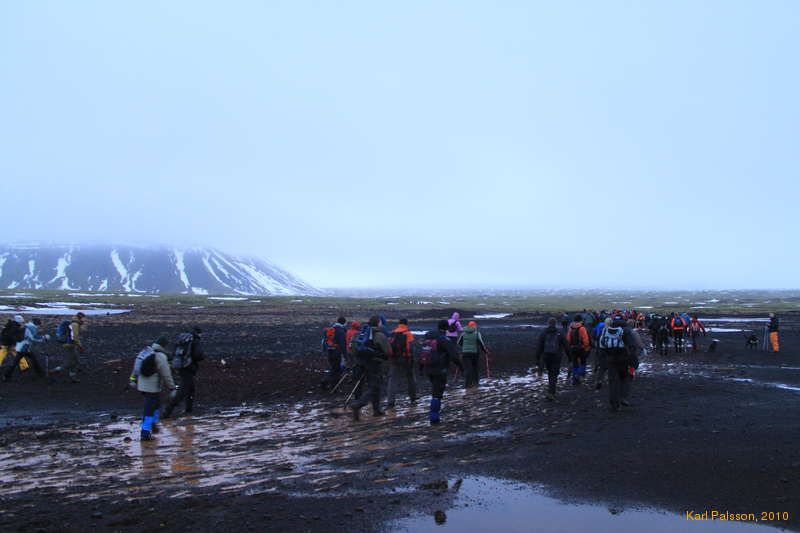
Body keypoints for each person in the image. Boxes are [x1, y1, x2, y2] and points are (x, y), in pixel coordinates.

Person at [129, 335, 176, 441]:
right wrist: (172, 387)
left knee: (155, 405)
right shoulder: (161, 356)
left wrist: (132, 379)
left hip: (142, 385)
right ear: (164, 346)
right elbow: (166, 374)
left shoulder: (146, 352)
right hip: (152, 387)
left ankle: (152, 425)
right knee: (149, 409)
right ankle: (145, 432)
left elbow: (136, 367)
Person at [351, 316, 392, 420]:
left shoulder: (361, 333)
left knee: (371, 386)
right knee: (375, 387)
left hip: (361, 362)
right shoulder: (379, 335)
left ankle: (376, 410)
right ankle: (359, 404)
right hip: (374, 363)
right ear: (378, 323)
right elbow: (388, 351)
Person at [423, 320, 463, 424]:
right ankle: (434, 418)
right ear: (446, 328)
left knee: (435, 392)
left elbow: (425, 352)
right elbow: (454, 355)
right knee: (437, 394)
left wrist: (421, 367)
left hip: (428, 368)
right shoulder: (444, 340)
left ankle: (434, 415)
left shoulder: (428, 338)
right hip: (440, 370)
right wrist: (461, 366)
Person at [162, 327, 205, 418]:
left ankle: (188, 410)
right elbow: (199, 355)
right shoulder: (195, 340)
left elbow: (174, 352)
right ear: (199, 333)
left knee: (190, 388)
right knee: (183, 390)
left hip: (180, 365)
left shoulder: (183, 339)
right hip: (188, 367)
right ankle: (168, 410)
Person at [598, 316, 637, 412]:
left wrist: (605, 357)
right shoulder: (626, 331)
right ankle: (622, 397)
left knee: (613, 381)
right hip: (623, 359)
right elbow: (632, 346)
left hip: (611, 360)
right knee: (624, 378)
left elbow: (602, 344)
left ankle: (613, 403)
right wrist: (633, 359)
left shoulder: (607, 330)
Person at [536, 317, 569, 401]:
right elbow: (566, 346)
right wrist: (570, 358)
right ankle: (551, 392)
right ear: (556, 323)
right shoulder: (560, 333)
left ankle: (550, 391)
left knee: (550, 372)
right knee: (553, 374)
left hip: (546, 356)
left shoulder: (543, 333)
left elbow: (539, 347)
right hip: (556, 356)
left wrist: (537, 359)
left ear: (548, 323)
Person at [386, 318, 416, 407]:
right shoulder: (408, 334)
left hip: (394, 359)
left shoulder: (392, 333)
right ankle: (413, 398)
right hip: (406, 359)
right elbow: (410, 349)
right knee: (410, 378)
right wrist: (411, 357)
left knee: (392, 380)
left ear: (399, 324)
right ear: (406, 324)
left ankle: (390, 401)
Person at [53, 312, 86, 383]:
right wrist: (80, 346)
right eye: (84, 318)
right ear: (81, 318)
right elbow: (75, 337)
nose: (84, 320)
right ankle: (55, 370)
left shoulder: (74, 323)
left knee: (74, 360)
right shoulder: (75, 324)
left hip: (70, 344)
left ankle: (72, 375)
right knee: (69, 362)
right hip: (68, 345)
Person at [458, 321, 489, 388]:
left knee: (468, 369)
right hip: (475, 353)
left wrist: (464, 347)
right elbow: (481, 343)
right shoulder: (477, 333)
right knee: (475, 368)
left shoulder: (463, 333)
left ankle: (467, 384)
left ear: (468, 326)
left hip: (465, 353)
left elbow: (459, 343)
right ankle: (475, 383)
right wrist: (485, 350)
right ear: (474, 326)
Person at [321, 316, 347, 390]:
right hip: (337, 353)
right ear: (344, 323)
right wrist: (346, 356)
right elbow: (343, 345)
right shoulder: (341, 331)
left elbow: (325, 341)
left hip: (330, 352)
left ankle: (331, 384)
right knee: (336, 370)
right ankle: (328, 382)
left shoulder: (331, 329)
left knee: (334, 368)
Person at [566, 315, 590, 386]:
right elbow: (586, 341)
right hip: (581, 348)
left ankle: (574, 380)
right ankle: (579, 375)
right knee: (583, 362)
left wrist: (570, 346)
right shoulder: (582, 328)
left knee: (575, 364)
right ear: (580, 320)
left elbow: (568, 339)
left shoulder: (570, 328)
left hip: (573, 348)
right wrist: (585, 347)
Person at [593, 317, 612, 389]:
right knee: (611, 366)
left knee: (602, 367)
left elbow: (598, 338)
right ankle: (609, 380)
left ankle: (599, 381)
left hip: (601, 349)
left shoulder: (602, 330)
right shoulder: (613, 330)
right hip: (610, 350)